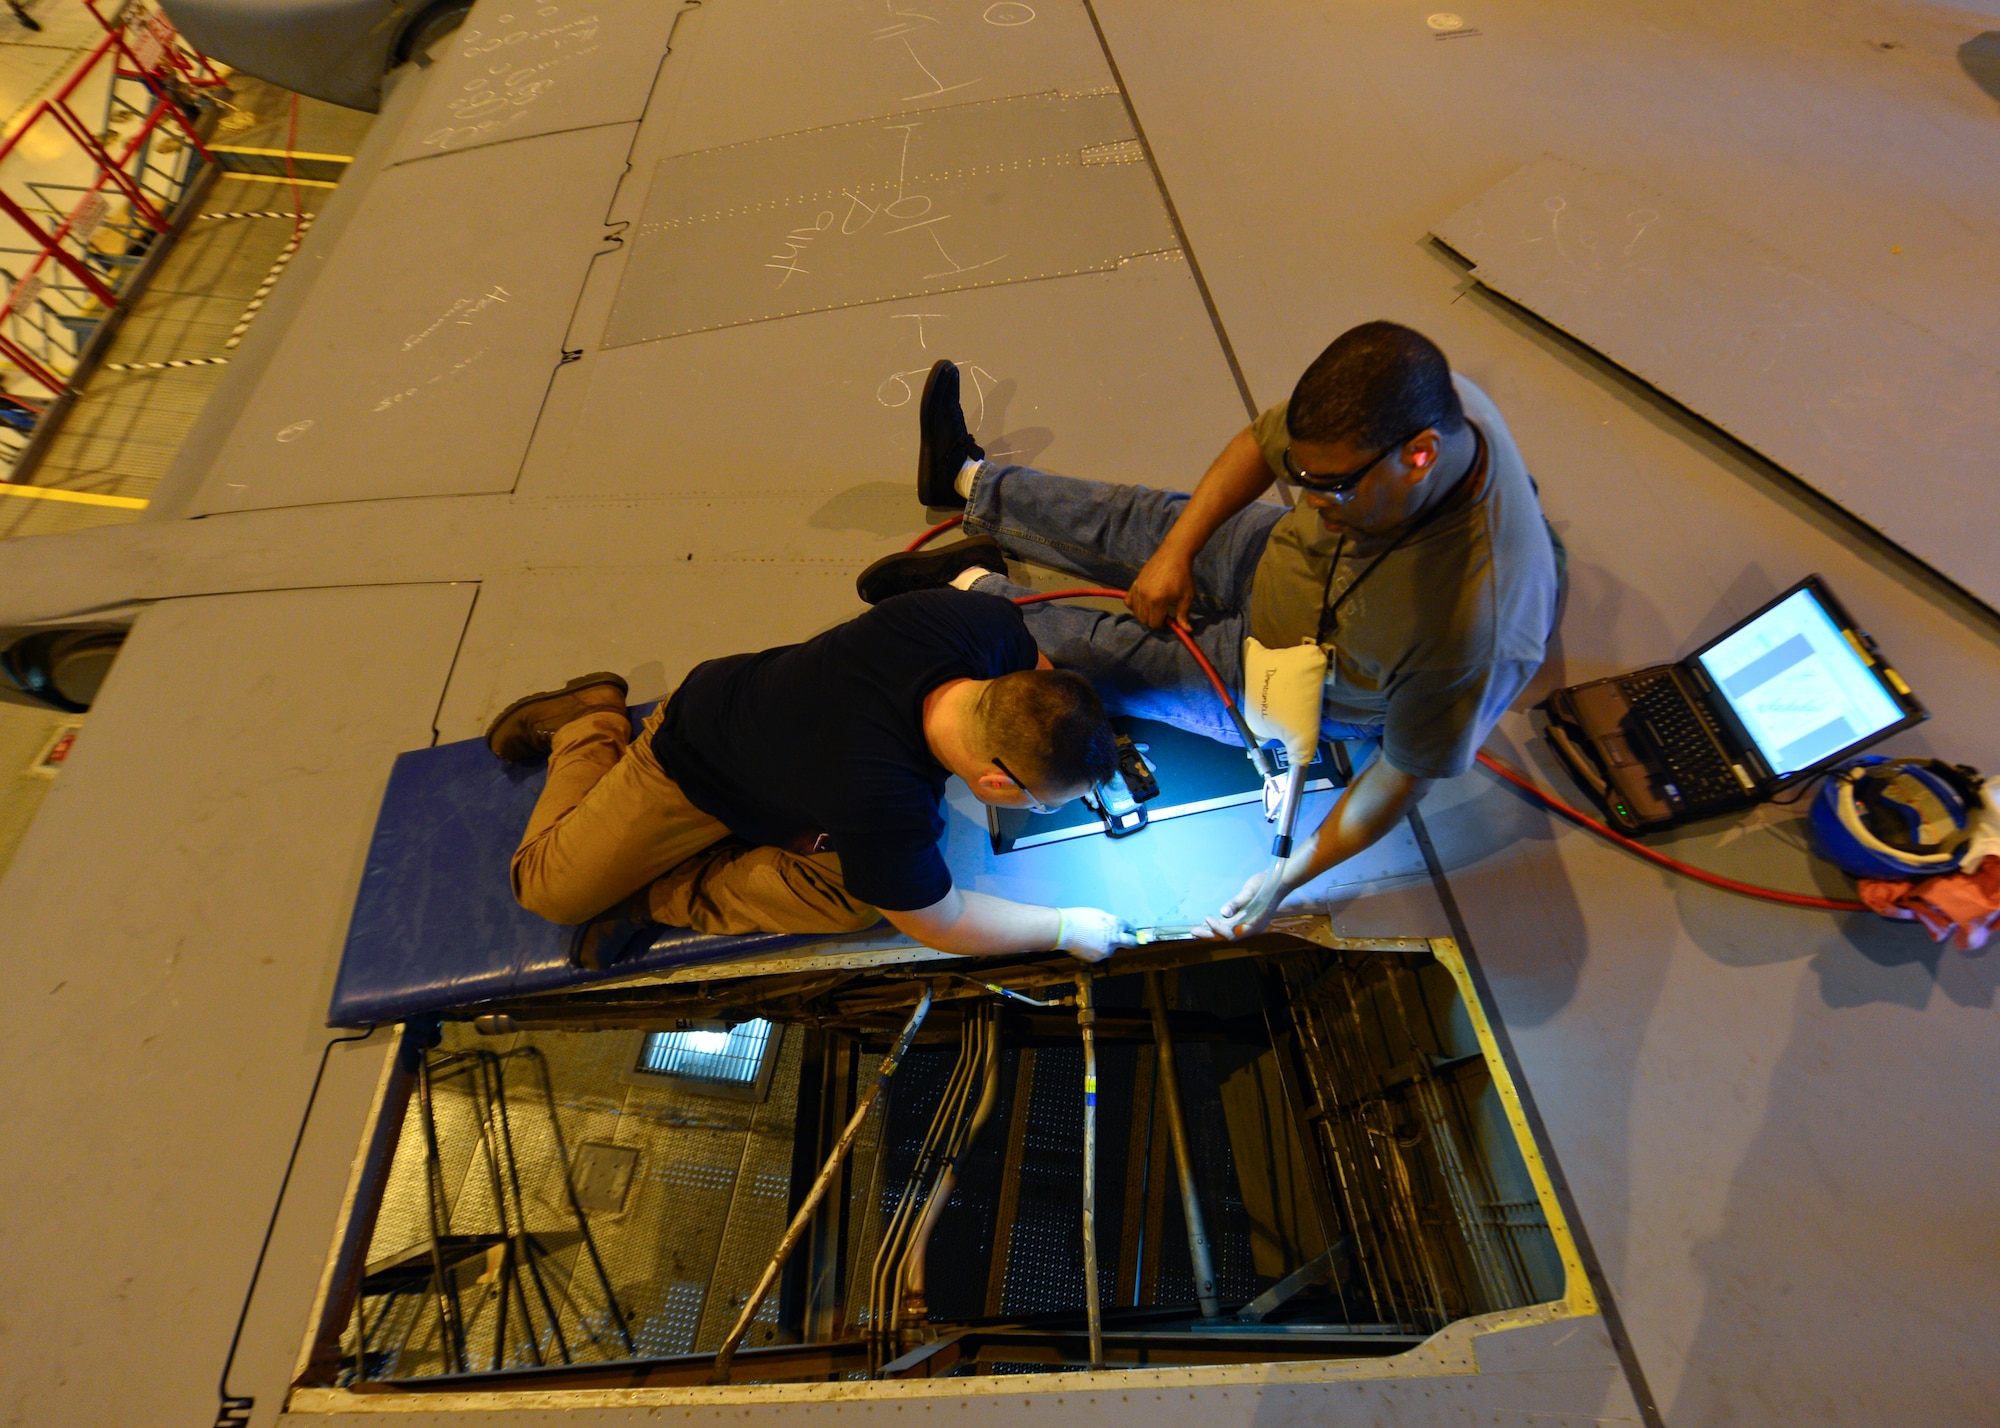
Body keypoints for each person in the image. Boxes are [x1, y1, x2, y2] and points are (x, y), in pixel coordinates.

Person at [855, 322, 1562, 939]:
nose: (1315, 499)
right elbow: (1260, 445)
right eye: (1306, 480)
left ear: (1420, 455)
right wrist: (1176, 551)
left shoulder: (1474, 630)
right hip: (1278, 560)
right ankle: (967, 482)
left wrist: (1290, 871)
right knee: (1137, 519)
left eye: (1333, 489)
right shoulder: (1391, 413)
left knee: (1106, 659)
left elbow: (1398, 780)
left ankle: (966, 591)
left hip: (1289, 680)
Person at [488, 587, 1132, 968]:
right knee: (549, 891)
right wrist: (1068, 928)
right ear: (994, 785)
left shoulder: (979, 624)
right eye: (1043, 804)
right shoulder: (884, 801)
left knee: (857, 897)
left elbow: (1043, 674)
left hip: (781, 746)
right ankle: (587, 720)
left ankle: (649, 882)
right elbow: (946, 923)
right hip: (693, 758)